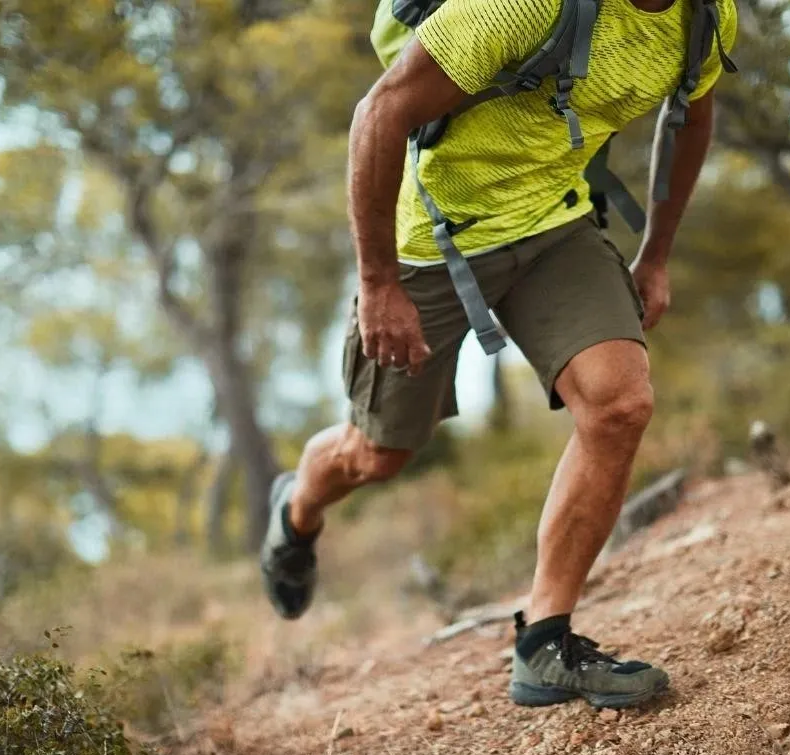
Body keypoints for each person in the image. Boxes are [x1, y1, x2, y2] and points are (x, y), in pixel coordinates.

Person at [261, 0, 737, 709]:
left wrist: (656, 254)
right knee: (380, 453)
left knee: (619, 403)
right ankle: (297, 506)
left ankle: (544, 642)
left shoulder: (704, 14)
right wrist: (378, 283)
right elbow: (379, 114)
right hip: (431, 245)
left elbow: (692, 116)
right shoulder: (519, 6)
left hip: (554, 227)